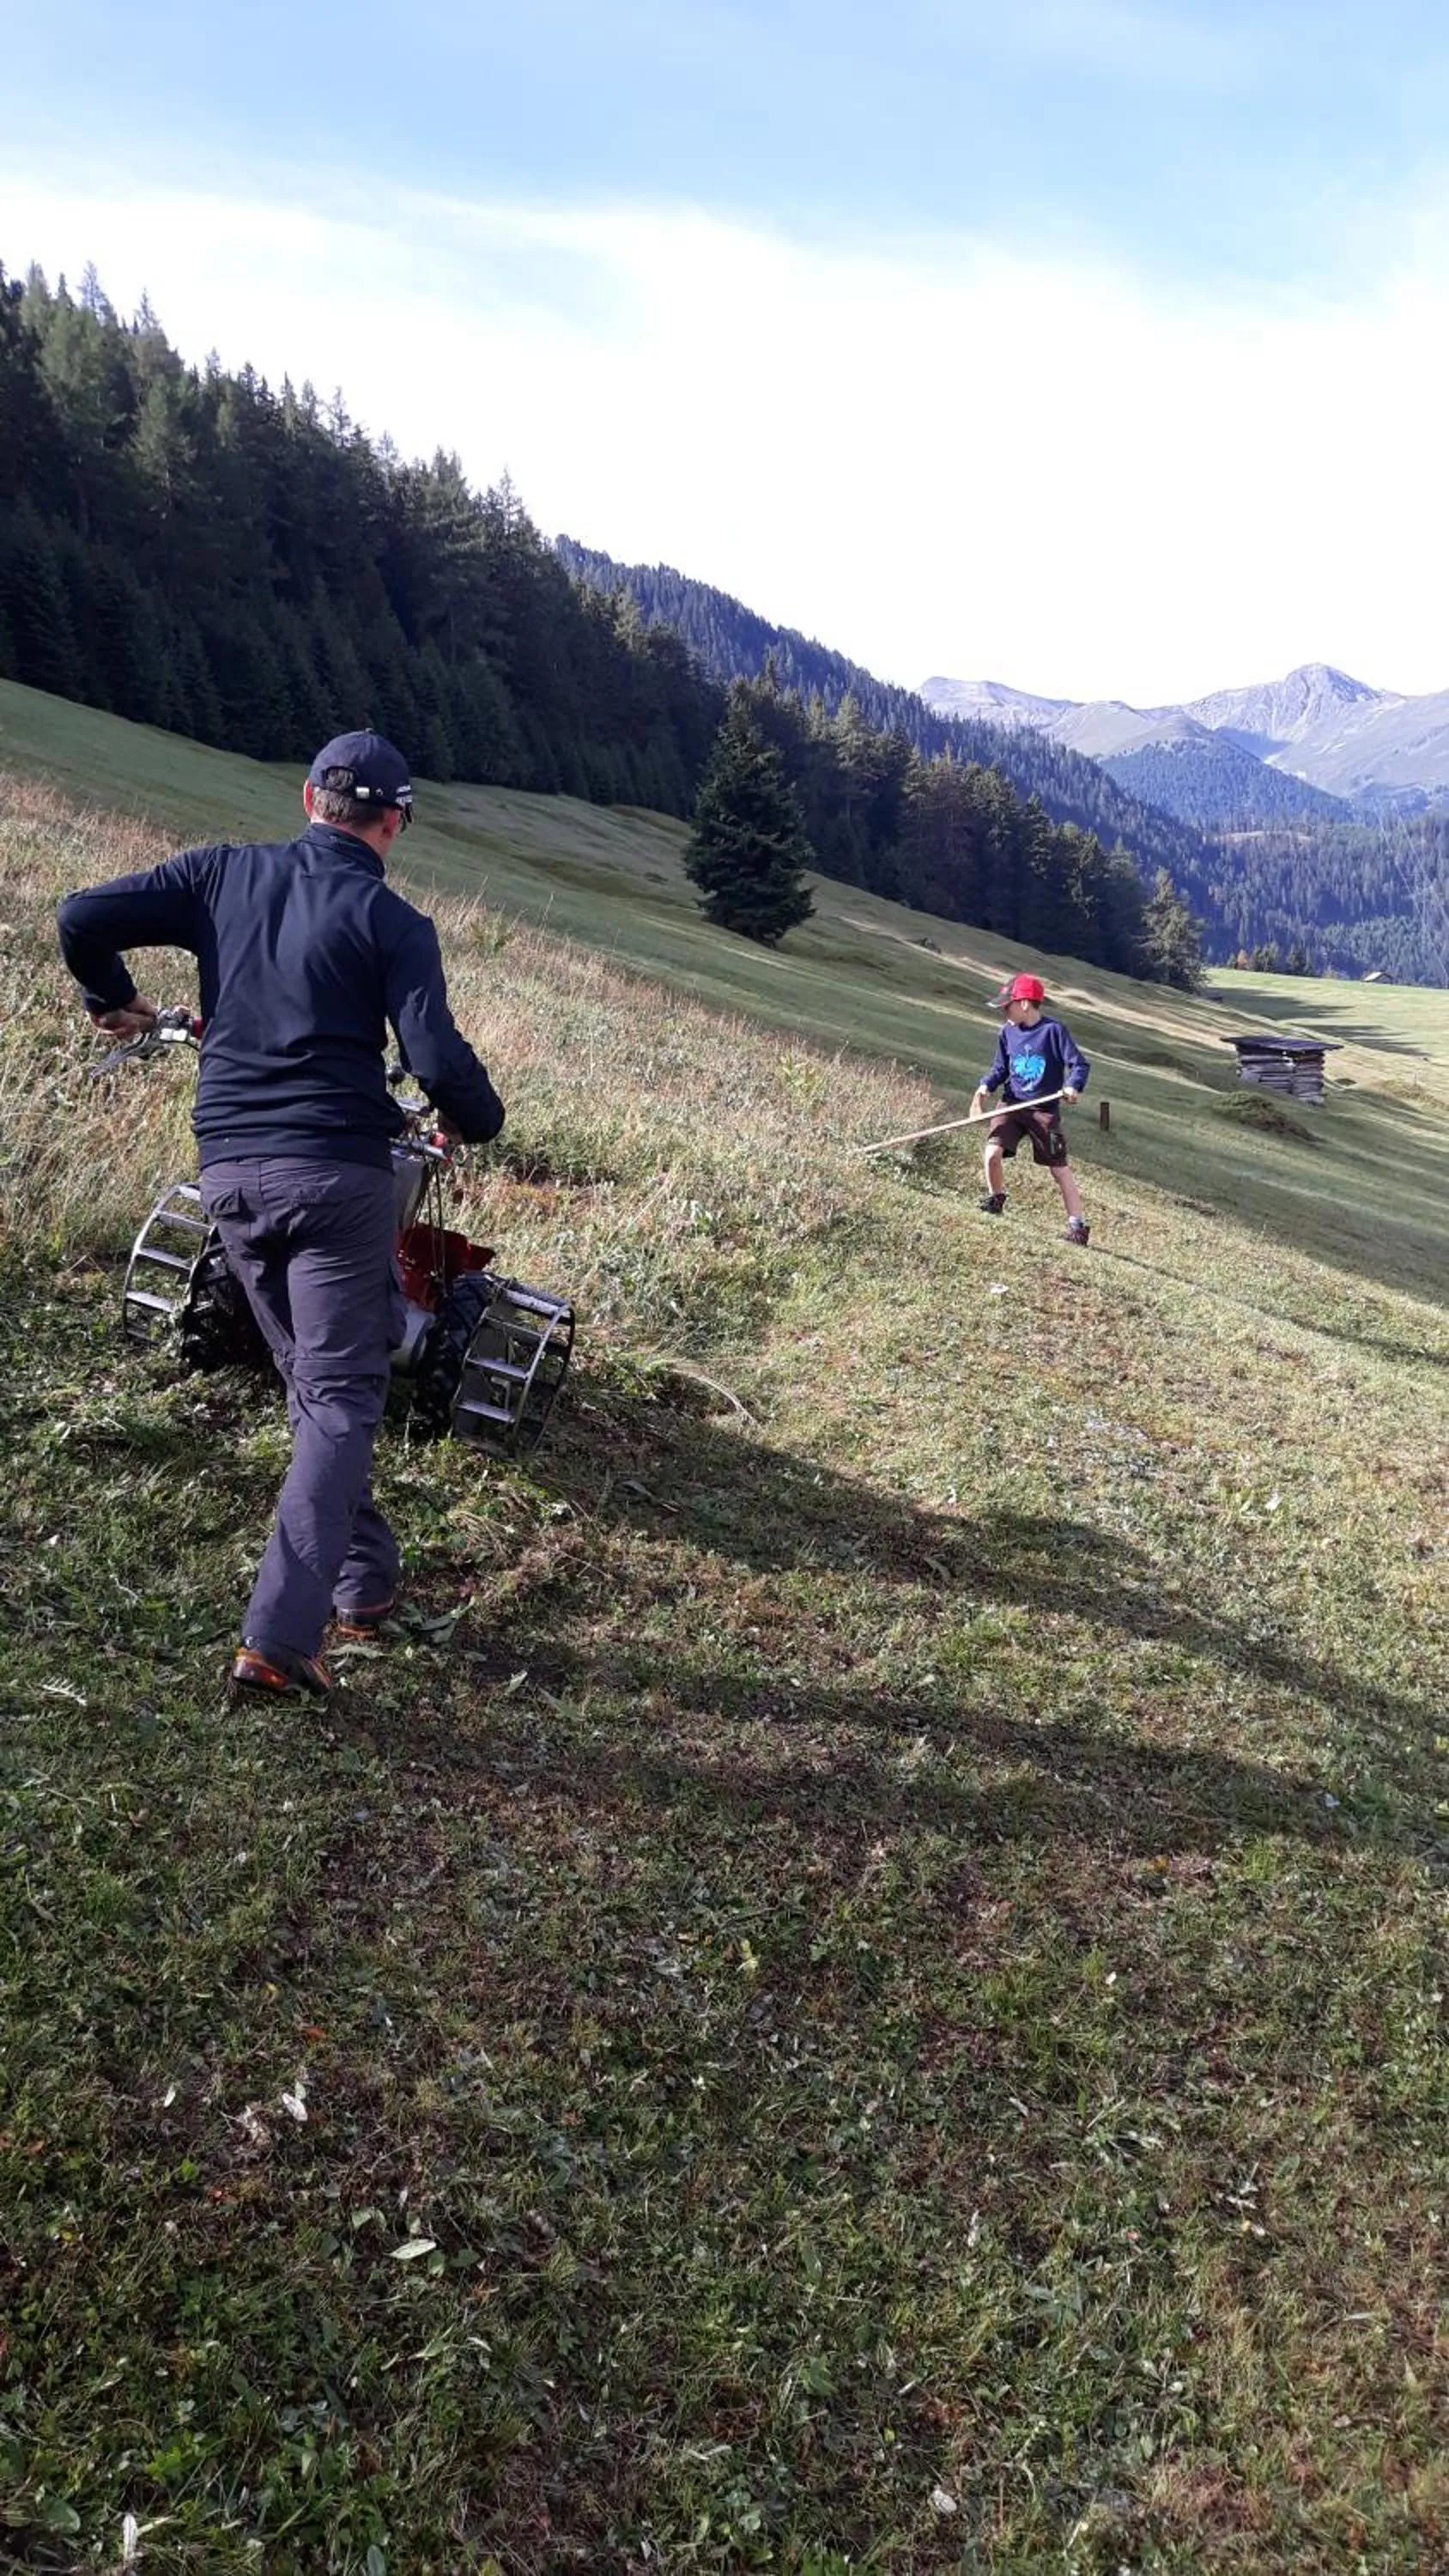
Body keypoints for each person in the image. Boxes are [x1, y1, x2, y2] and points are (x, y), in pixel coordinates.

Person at [57, 730, 506, 1701]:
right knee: (343, 1399)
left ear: (309, 800)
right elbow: (430, 1057)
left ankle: (366, 1584)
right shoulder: (395, 923)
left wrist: (114, 998)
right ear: (394, 823)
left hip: (229, 1172)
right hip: (338, 1178)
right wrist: (480, 1118)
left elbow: (81, 913)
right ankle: (278, 1639)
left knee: (315, 1381)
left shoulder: (220, 874)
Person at [971, 972, 1091, 1245]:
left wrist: (1073, 1086)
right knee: (992, 1153)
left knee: (1059, 1170)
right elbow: (1000, 1068)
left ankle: (1077, 1227)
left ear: (1024, 1003)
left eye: (1007, 1005)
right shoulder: (1007, 1033)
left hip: (1043, 1111)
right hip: (1012, 1104)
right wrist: (986, 1086)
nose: (1003, 1011)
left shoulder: (1053, 1032)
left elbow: (1079, 1064)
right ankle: (996, 1198)